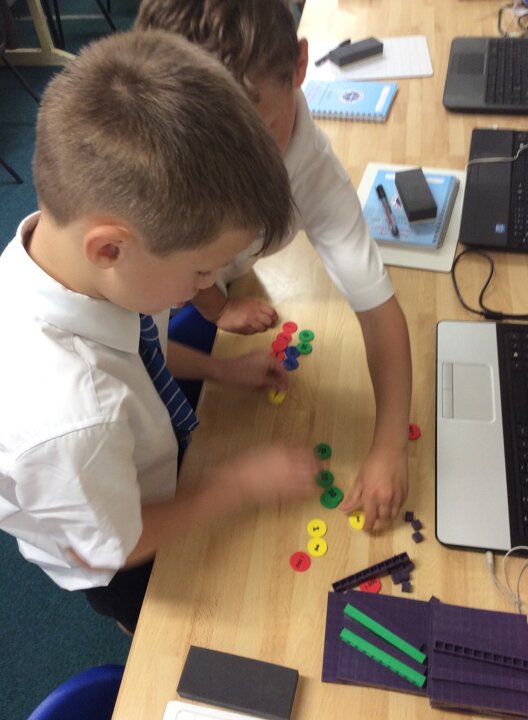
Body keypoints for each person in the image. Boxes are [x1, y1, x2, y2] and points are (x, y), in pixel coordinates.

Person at [0, 30, 319, 634]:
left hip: (126, 467)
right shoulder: (74, 420)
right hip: (122, 553)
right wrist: (237, 486)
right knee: (166, 626)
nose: (208, 286)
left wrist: (222, 368)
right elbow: (110, 547)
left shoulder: (85, 269)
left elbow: (133, 349)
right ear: (109, 248)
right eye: (200, 271)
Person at [135, 0, 413, 531]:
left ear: (299, 65)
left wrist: (389, 444)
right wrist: (214, 307)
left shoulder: (311, 171)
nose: (236, 172)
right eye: (209, 150)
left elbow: (379, 310)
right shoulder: (148, 174)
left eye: (260, 132)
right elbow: (136, 344)